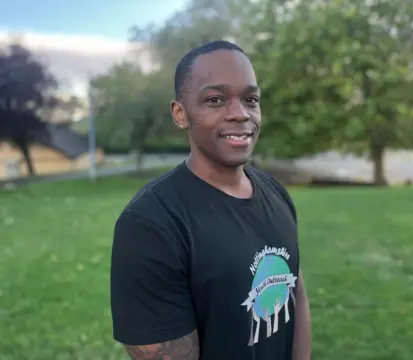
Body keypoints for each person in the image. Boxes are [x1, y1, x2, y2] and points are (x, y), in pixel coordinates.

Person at [110, 40, 311, 360]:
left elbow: (294, 289)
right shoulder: (151, 224)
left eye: (251, 99)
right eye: (216, 100)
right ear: (180, 114)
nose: (240, 114)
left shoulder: (275, 192)